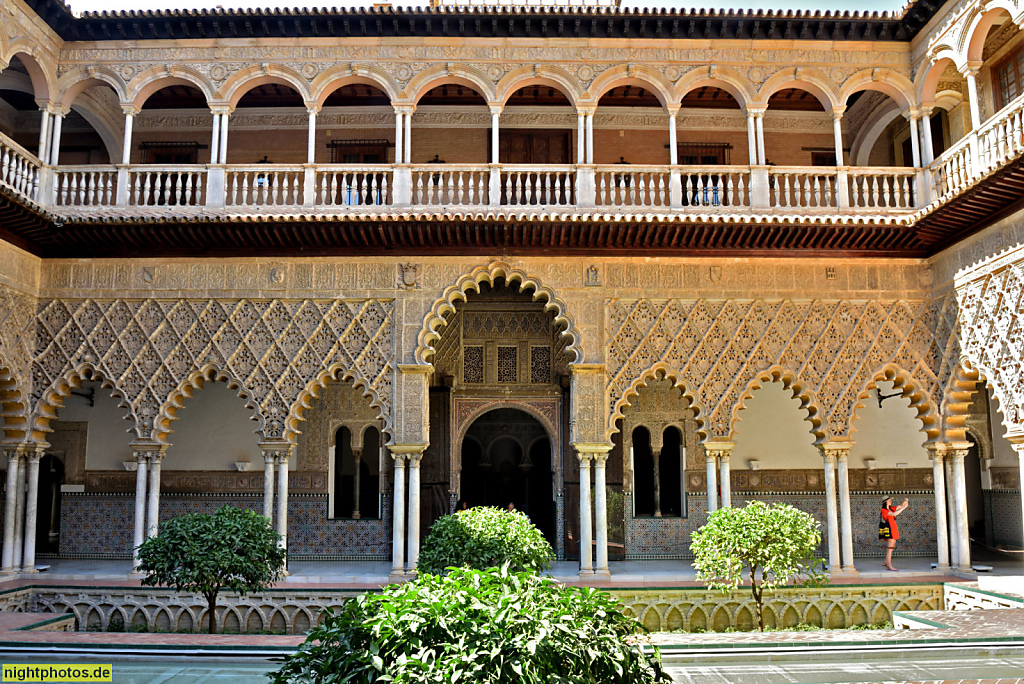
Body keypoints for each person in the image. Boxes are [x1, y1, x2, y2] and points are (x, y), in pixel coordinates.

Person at [878, 496, 909, 571]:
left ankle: (886, 562)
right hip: (890, 529)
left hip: (894, 529)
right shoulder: (883, 510)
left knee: (892, 546)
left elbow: (901, 505)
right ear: (885, 502)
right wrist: (903, 508)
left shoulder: (891, 508)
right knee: (890, 548)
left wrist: (905, 500)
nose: (890, 501)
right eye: (889, 501)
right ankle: (889, 565)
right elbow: (894, 514)